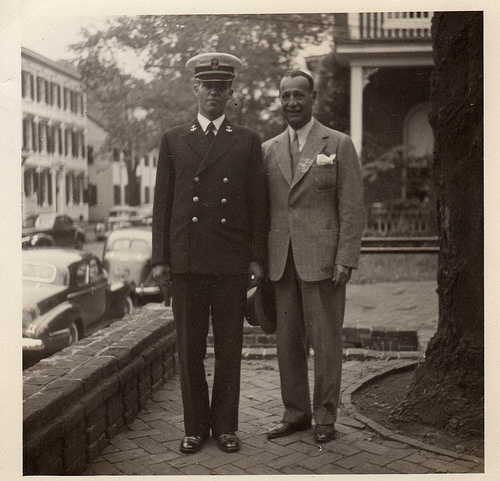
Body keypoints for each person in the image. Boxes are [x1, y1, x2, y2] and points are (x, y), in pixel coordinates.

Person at [152, 52, 268, 454]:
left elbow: (258, 205)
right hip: (186, 262)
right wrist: (160, 260)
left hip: (231, 261)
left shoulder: (247, 141)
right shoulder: (173, 139)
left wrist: (256, 257)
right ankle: (194, 426)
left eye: (222, 88)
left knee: (230, 348)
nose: (214, 94)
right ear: (195, 89)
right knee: (189, 349)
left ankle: (226, 426)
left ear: (230, 93)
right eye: (208, 87)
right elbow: (161, 205)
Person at [263, 70, 364, 444]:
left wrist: (345, 257)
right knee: (287, 342)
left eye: (299, 96)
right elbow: (267, 210)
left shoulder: (337, 144)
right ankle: (296, 413)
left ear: (313, 97)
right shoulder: (269, 150)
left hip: (323, 261)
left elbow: (352, 206)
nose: (292, 102)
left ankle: (325, 416)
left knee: (325, 342)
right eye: (285, 95)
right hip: (282, 261)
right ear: (280, 100)